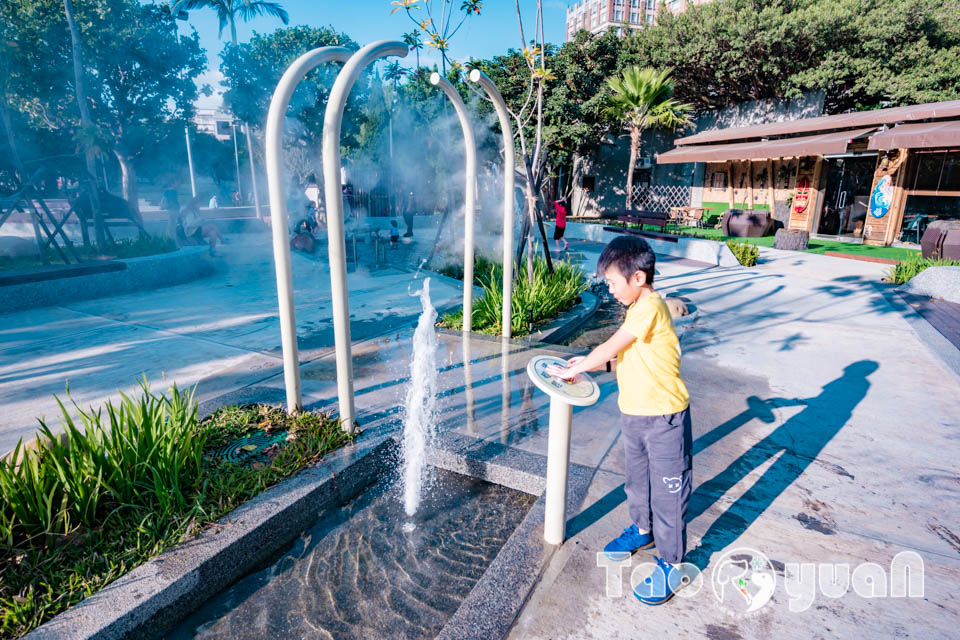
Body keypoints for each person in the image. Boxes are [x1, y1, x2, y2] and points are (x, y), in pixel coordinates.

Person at [546, 235, 691, 606]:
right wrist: (586, 368)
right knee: (637, 481)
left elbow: (611, 346)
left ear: (638, 278)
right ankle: (643, 530)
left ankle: (673, 563)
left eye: (612, 283)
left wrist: (585, 361)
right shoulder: (637, 310)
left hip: (664, 418)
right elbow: (623, 357)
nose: (609, 291)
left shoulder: (650, 307)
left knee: (669, 492)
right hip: (635, 413)